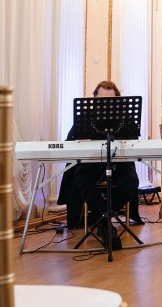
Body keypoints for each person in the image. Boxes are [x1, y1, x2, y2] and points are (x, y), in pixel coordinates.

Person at [57, 80, 140, 249]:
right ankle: (105, 221)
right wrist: (82, 141)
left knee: (131, 181)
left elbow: (133, 140)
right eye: (102, 100)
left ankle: (102, 218)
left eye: (111, 100)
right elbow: (69, 140)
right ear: (94, 98)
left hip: (119, 163)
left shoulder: (125, 116)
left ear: (117, 99)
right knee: (82, 178)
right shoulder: (85, 116)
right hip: (92, 163)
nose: (106, 104)